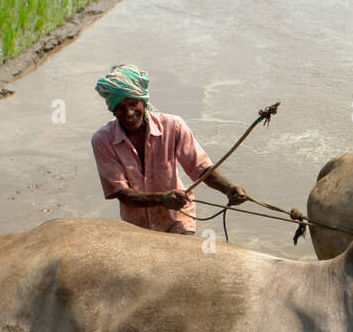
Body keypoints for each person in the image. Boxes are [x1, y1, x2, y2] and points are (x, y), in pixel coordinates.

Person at [90, 65, 248, 235]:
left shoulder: (173, 126)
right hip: (136, 227)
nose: (129, 113)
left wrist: (229, 188)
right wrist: (161, 199)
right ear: (112, 109)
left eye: (133, 103)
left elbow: (200, 168)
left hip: (178, 219)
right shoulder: (103, 140)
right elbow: (121, 193)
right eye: (120, 107)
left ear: (143, 101)